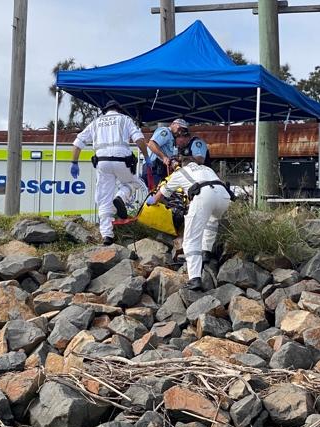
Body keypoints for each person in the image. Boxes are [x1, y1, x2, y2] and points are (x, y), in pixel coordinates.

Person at [70, 100, 151, 245]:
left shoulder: (95, 122)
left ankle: (107, 235)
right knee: (133, 182)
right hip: (122, 160)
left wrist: (74, 163)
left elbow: (77, 144)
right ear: (118, 109)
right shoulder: (125, 119)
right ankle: (120, 197)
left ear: (105, 110)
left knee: (103, 198)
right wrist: (146, 157)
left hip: (102, 162)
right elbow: (139, 139)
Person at [146, 158, 231, 291]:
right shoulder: (206, 169)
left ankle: (194, 278)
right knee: (212, 220)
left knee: (191, 240)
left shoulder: (180, 172)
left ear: (182, 165)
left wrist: (151, 202)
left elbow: (162, 193)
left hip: (203, 195)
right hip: (224, 197)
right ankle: (206, 252)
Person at [143, 119, 188, 186]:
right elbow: (151, 144)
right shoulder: (165, 132)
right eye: (179, 128)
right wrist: (164, 157)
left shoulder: (171, 137)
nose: (180, 132)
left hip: (159, 169)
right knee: (156, 193)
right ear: (173, 124)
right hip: (154, 167)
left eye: (183, 131)